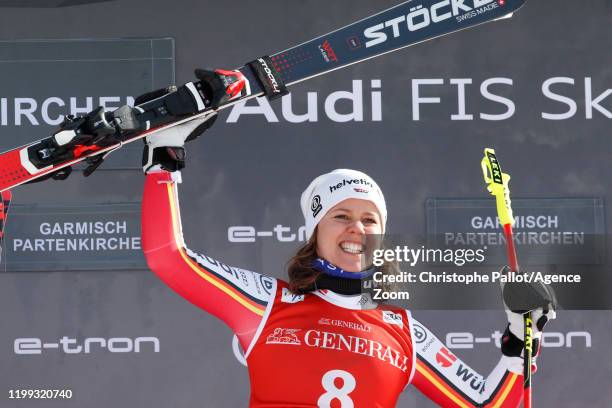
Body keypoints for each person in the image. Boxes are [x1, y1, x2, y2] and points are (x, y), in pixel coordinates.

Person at [140, 114, 556, 407]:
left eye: (369, 219)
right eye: (340, 216)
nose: (357, 228)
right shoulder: (266, 303)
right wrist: (163, 160)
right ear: (315, 233)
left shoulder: (404, 330)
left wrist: (523, 341)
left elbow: (484, 406)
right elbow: (169, 258)